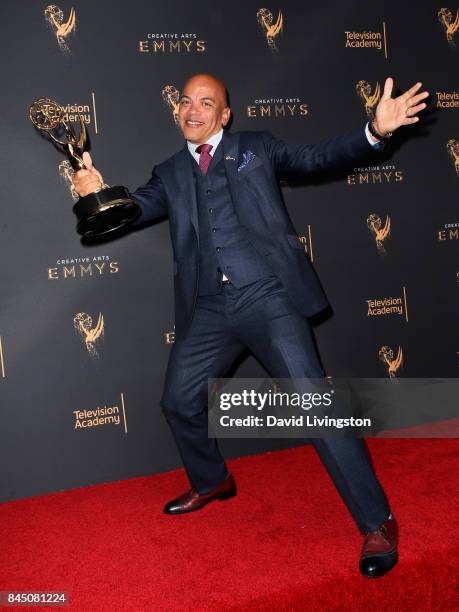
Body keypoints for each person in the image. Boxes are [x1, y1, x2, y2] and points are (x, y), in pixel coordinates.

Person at [72, 73, 428, 577]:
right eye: (186, 101)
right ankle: (212, 479)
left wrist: (373, 130)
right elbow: (130, 210)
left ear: (225, 115)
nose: (192, 110)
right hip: (210, 309)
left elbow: (315, 158)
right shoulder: (171, 171)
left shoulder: (256, 148)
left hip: (269, 299)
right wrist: (97, 193)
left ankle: (377, 521)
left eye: (206, 103)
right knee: (178, 399)